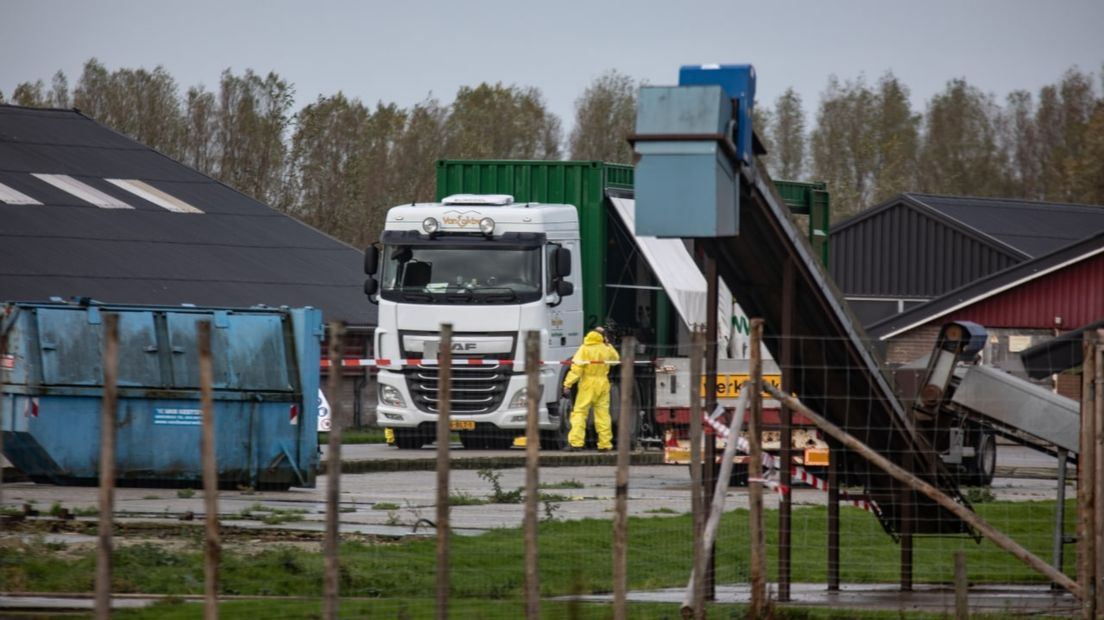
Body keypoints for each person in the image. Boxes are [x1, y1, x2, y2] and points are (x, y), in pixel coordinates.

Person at [562, 327, 620, 451]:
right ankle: (605, 444)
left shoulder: (584, 348)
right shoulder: (606, 348)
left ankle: (576, 443)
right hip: (603, 383)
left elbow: (576, 369)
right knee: (603, 415)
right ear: (603, 336)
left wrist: (568, 384)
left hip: (587, 384)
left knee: (580, 413)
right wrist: (608, 344)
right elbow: (616, 360)